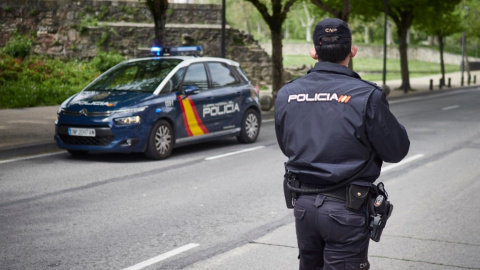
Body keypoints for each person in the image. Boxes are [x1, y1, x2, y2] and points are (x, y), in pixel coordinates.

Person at [274, 18, 410, 270]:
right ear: (352, 51)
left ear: (314, 51)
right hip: (346, 209)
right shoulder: (367, 95)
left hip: (303, 206)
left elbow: (286, 145)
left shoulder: (286, 94)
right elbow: (397, 150)